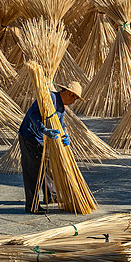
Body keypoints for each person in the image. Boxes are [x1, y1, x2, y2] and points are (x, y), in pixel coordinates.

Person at [18, 81, 83, 213]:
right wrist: (44, 129)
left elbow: (61, 124)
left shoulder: (61, 107)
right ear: (70, 94)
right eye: (75, 99)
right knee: (33, 172)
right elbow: (32, 114)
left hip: (42, 139)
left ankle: (50, 196)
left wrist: (65, 135)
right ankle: (32, 206)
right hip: (29, 137)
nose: (74, 102)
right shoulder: (50, 98)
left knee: (47, 166)